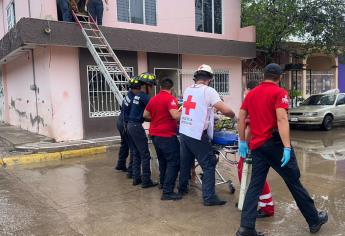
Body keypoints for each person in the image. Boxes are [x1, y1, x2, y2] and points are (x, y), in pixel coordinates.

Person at [236, 63, 328, 236]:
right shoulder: (279, 92)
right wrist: (286, 147)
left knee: (255, 186)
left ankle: (246, 228)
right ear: (279, 77)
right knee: (294, 181)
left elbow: (241, 118)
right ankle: (314, 220)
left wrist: (242, 141)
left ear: (264, 76)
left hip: (257, 146)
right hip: (275, 144)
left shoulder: (252, 93)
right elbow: (282, 119)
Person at [178, 64, 235, 206]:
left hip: (184, 131)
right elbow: (226, 110)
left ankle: (182, 189)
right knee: (209, 164)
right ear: (209, 79)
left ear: (196, 77)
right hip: (197, 133)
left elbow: (199, 108)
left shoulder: (188, 90)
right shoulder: (208, 91)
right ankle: (209, 197)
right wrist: (234, 116)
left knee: (185, 162)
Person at [237, 80, 275, 218]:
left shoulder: (252, 99)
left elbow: (250, 127)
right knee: (246, 173)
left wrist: (244, 144)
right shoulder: (256, 99)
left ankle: (267, 207)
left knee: (254, 176)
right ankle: (249, 201)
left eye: (247, 91)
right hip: (258, 143)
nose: (246, 93)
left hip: (254, 145)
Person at [143, 78, 182, 201]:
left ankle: (163, 183)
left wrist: (156, 119)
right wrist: (186, 112)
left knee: (163, 160)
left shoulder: (154, 98)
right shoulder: (170, 99)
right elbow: (175, 115)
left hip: (155, 135)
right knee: (174, 162)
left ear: (160, 87)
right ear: (171, 88)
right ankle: (167, 191)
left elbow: (145, 115)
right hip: (166, 135)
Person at [127, 72, 158, 188]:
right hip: (136, 127)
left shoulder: (137, 95)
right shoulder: (145, 97)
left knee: (136, 153)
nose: (152, 88)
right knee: (145, 154)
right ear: (147, 85)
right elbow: (152, 112)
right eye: (152, 86)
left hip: (130, 126)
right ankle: (146, 181)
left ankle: (136, 178)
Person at [114, 79, 136, 178]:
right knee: (133, 147)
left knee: (124, 144)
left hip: (120, 121)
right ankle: (131, 171)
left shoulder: (128, 95)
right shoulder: (134, 97)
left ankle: (120, 164)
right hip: (125, 123)